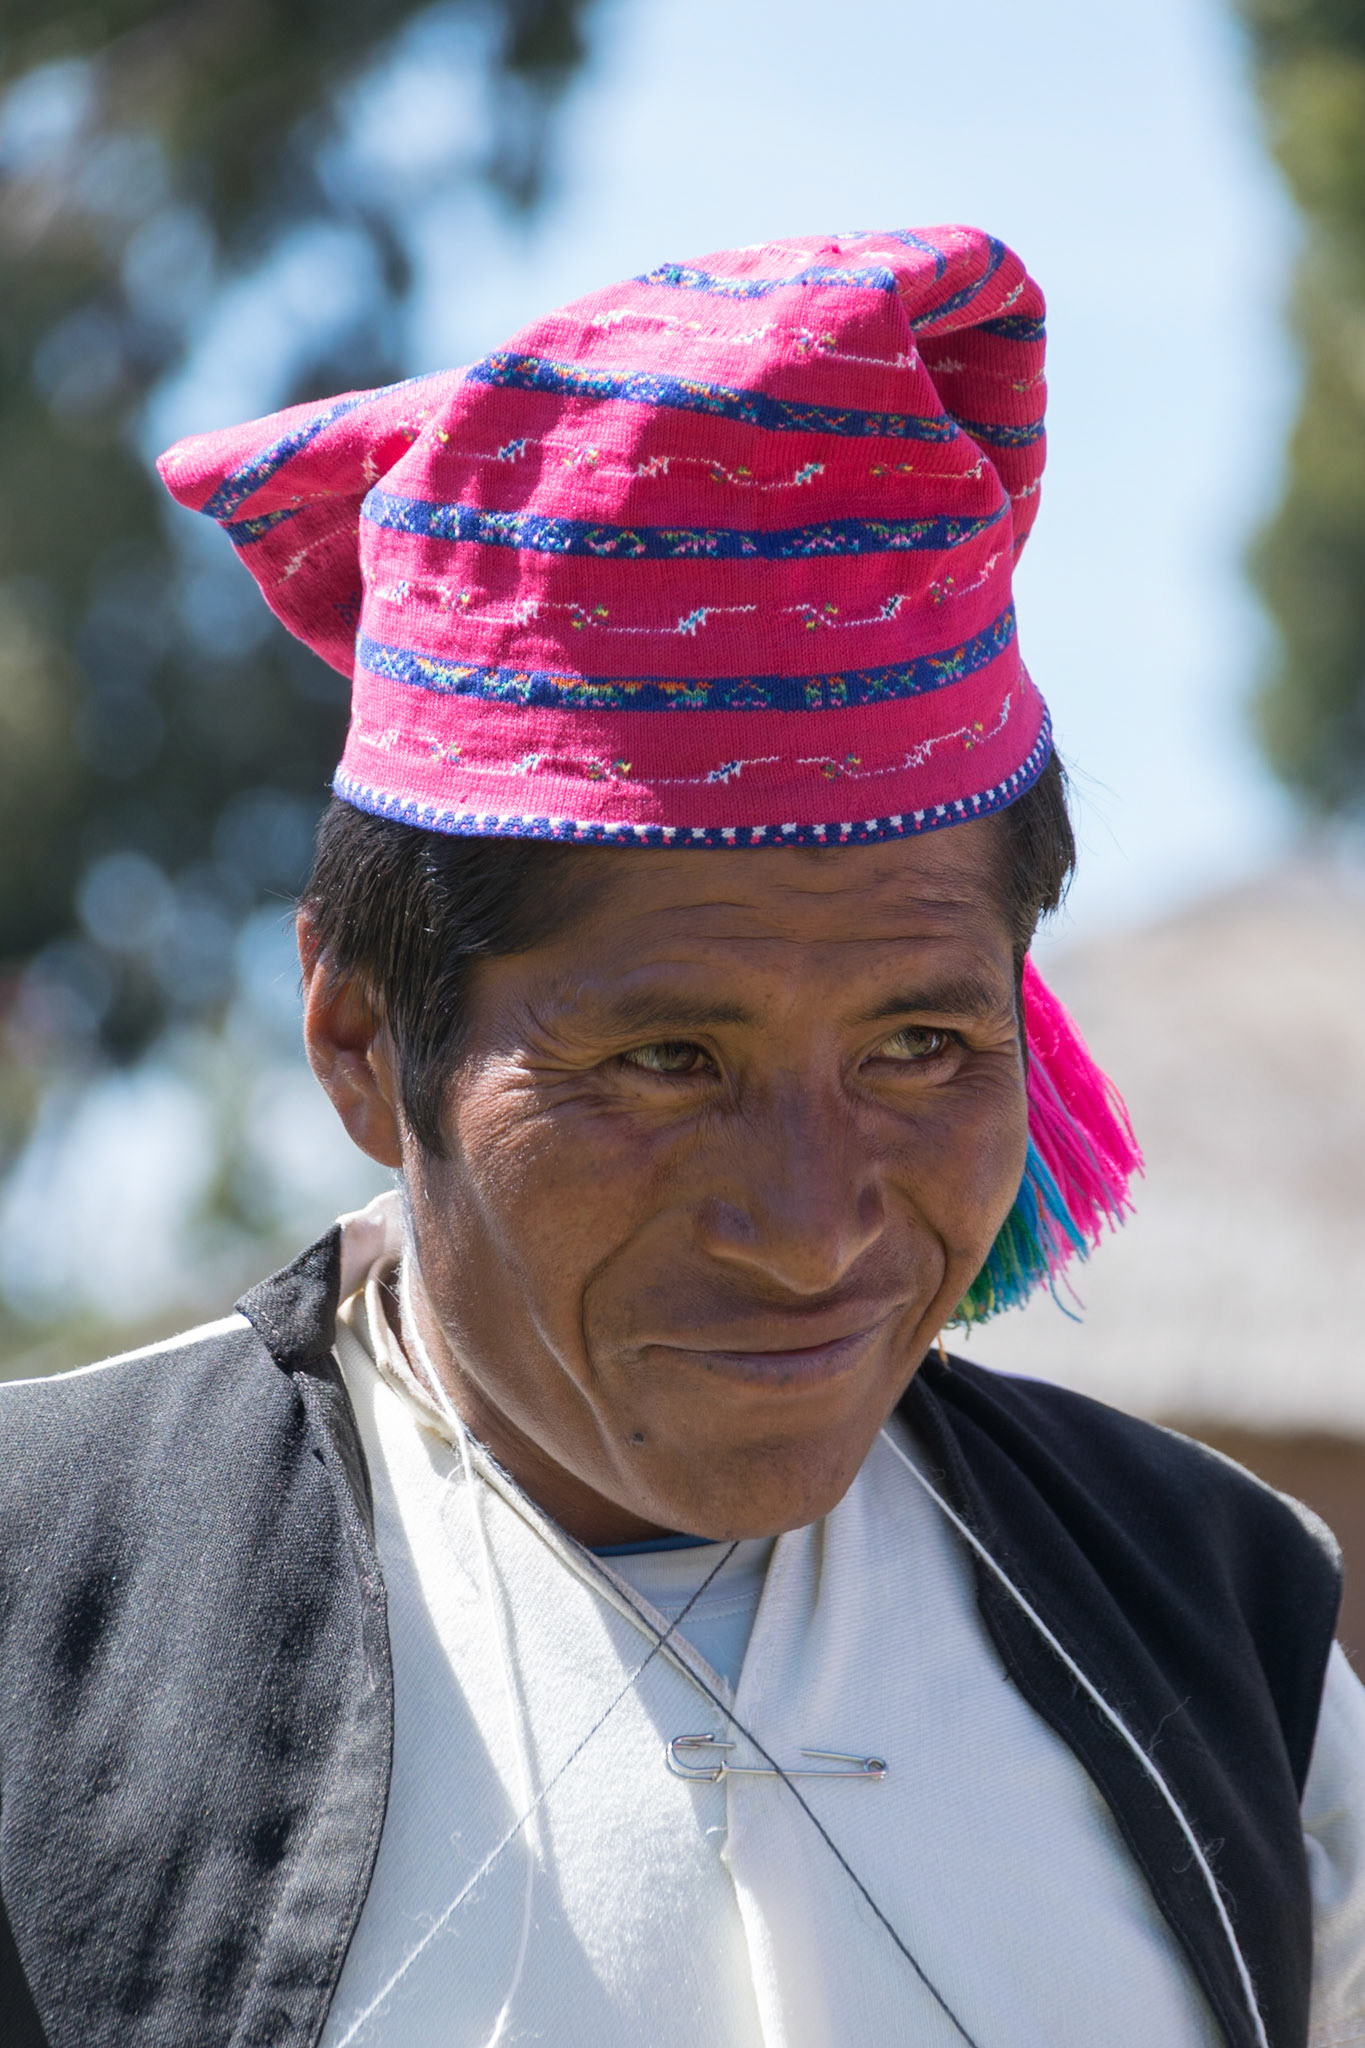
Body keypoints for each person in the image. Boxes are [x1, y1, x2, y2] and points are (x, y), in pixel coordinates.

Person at [1, 226, 1361, 2048]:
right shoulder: (45, 1600)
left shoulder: (1223, 1629)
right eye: (661, 1060)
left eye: (916, 1044)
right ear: (356, 1037)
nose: (811, 1231)